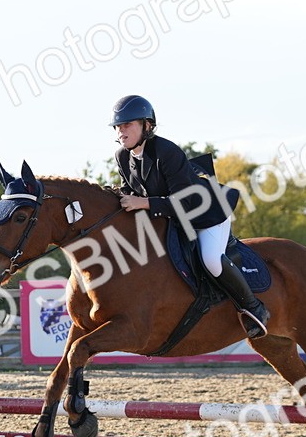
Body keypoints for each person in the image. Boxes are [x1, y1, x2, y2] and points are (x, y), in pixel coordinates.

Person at [109, 94, 269, 338]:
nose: (122, 131)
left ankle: (254, 307)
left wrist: (142, 202)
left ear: (147, 125)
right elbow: (129, 191)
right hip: (171, 218)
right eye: (119, 126)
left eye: (127, 125)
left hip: (204, 214)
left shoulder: (167, 152)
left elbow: (183, 202)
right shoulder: (122, 156)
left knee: (211, 259)